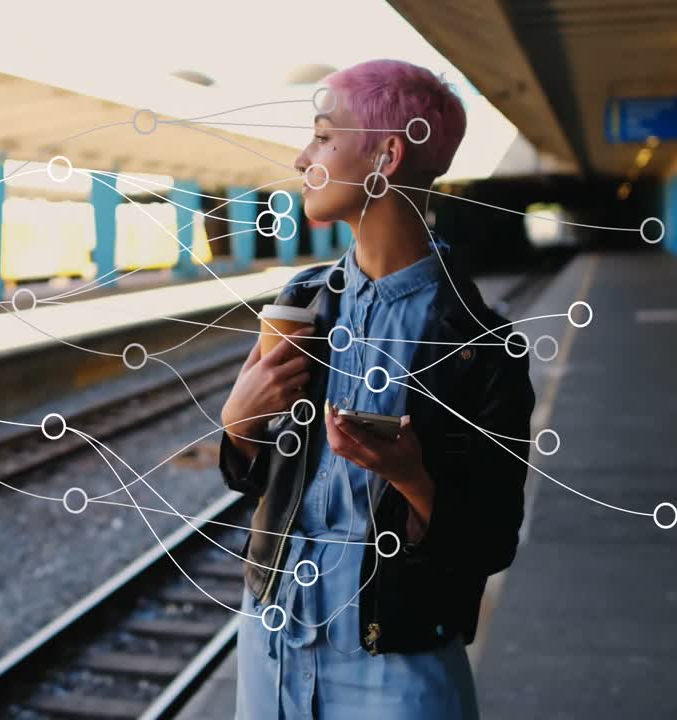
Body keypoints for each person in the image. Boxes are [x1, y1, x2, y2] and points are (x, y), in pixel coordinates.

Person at [218, 59, 536, 718]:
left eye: (324, 135)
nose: (303, 155)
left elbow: (491, 540)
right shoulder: (301, 301)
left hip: (396, 660)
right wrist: (238, 426)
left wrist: (411, 476)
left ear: (386, 156)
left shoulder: (480, 343)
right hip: (271, 639)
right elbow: (259, 479)